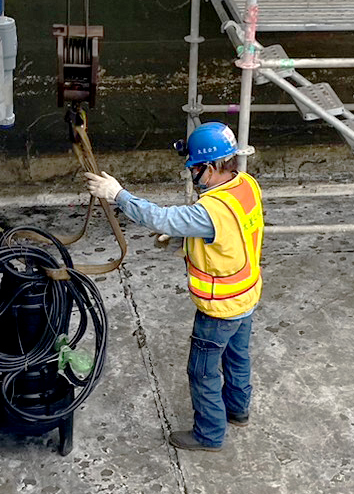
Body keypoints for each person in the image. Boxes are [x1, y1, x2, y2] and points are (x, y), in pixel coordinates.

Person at [84, 122, 265, 452]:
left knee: (203, 372)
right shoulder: (246, 186)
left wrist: (117, 195)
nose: (192, 175)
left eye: (194, 168)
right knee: (238, 358)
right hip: (247, 296)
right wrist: (188, 231)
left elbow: (161, 217)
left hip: (220, 307)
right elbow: (229, 233)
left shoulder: (211, 210)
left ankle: (209, 435)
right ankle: (238, 411)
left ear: (210, 167)